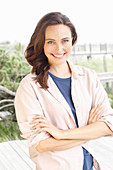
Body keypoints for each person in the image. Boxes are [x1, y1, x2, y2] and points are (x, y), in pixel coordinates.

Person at [14, 12, 113, 170]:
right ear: (41, 44)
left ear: (72, 40)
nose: (59, 48)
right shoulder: (29, 87)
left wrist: (60, 134)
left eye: (65, 41)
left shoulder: (89, 77)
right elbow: (42, 144)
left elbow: (109, 125)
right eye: (51, 42)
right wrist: (90, 130)